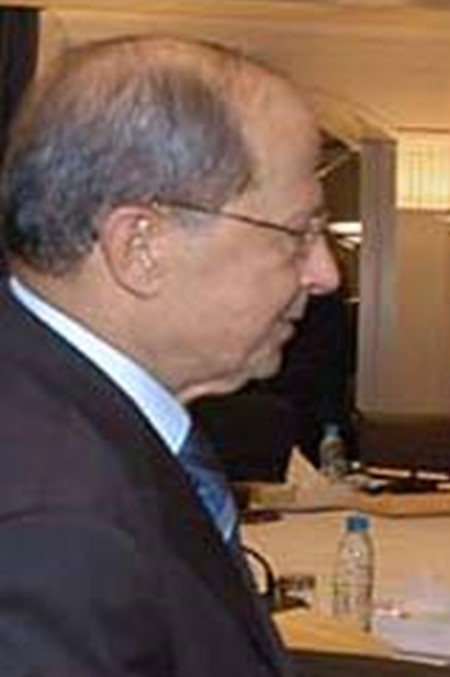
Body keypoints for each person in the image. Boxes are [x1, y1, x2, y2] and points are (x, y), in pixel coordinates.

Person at [0, 36, 338, 675]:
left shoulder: (60, 412)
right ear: (141, 246)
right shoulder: (53, 526)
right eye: (299, 234)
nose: (325, 274)